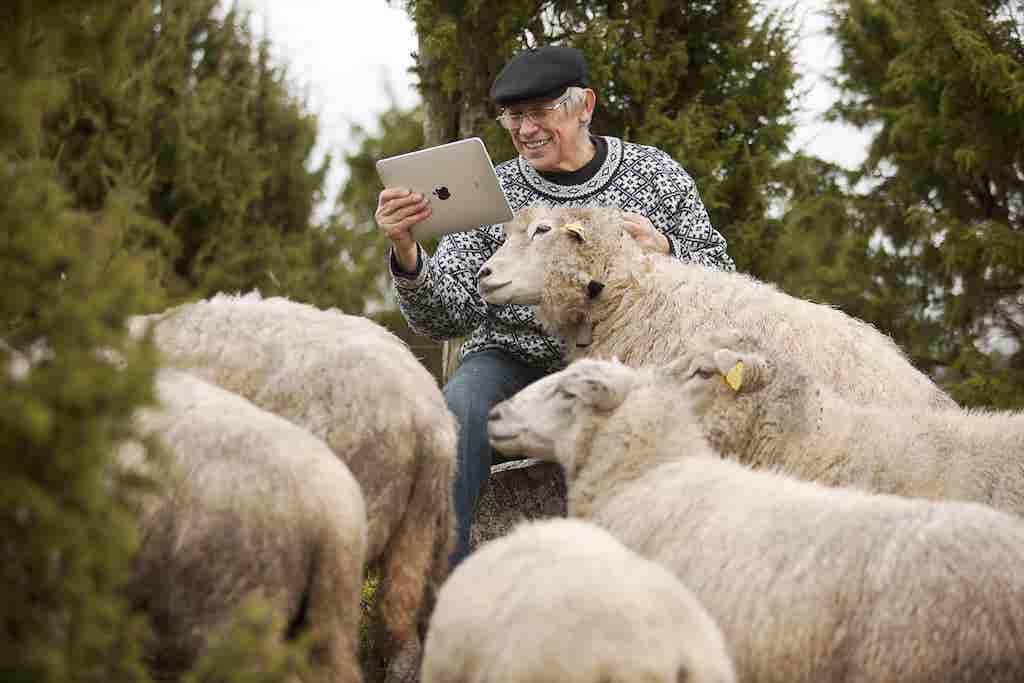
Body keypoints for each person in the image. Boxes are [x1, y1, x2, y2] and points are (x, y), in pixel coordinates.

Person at [375, 45, 735, 567]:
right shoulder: (491, 189)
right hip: (513, 357)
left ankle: (676, 580)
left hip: (628, 364)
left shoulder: (654, 175)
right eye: (514, 117)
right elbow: (448, 314)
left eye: (541, 112)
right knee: (461, 409)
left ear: (584, 106)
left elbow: (721, 275)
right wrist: (408, 253)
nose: (525, 130)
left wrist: (667, 252)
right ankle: (443, 591)